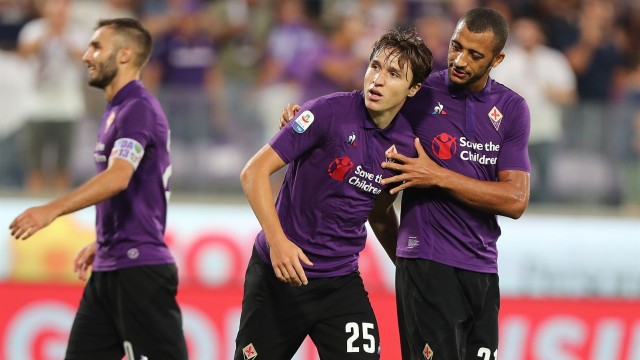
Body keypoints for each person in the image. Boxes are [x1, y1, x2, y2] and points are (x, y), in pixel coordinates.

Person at [281, 7, 530, 360]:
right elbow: (354, 112)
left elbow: (515, 201)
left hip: (483, 267)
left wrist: (436, 175)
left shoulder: (512, 108)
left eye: (475, 55)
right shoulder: (420, 92)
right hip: (426, 261)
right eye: (456, 46)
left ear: (498, 58)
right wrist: (300, 119)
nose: (459, 60)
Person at [235, 27, 433, 360]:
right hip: (280, 276)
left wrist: (407, 269)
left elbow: (379, 212)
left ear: (413, 89)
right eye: (375, 66)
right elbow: (252, 172)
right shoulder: (325, 112)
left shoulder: (405, 146)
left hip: (340, 283)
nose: (377, 80)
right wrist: (278, 242)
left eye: (394, 74)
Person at [9, 18, 188, 360]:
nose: (86, 56)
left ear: (124, 55)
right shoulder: (118, 109)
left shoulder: (137, 107)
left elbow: (119, 176)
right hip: (111, 265)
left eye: (96, 47)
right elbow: (139, 185)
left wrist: (51, 210)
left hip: (139, 271)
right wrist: (105, 239)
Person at [17, 0, 87, 194]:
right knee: (34, 165)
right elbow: (24, 52)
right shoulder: (33, 29)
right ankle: (32, 207)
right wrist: (47, 35)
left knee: (63, 166)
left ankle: (60, 211)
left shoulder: (78, 32)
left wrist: (64, 38)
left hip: (68, 107)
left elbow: (85, 60)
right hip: (36, 106)